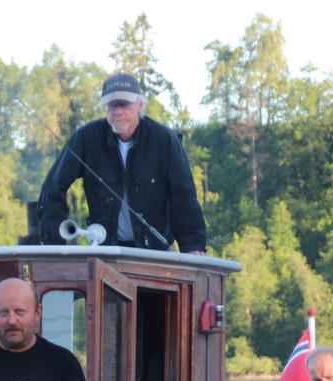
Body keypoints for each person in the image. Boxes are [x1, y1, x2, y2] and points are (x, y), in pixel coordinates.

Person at [36, 73, 206, 253]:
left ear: (140, 105)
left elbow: (184, 196)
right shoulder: (86, 138)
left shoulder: (165, 140)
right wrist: (53, 244)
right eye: (111, 105)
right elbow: (53, 187)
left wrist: (192, 246)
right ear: (105, 109)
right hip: (105, 250)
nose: (117, 111)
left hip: (156, 251)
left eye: (124, 104)